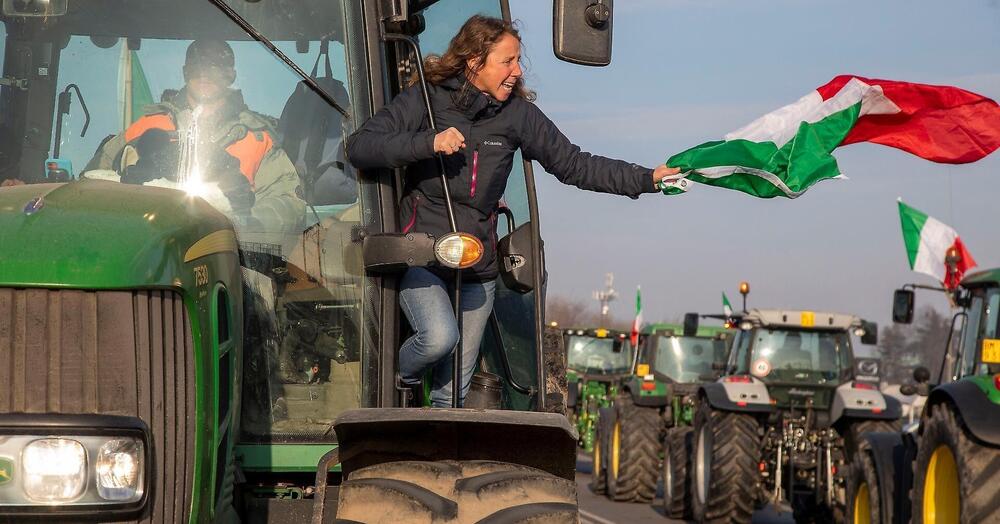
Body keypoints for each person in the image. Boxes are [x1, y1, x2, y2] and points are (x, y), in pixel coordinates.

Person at [347, 16, 680, 408]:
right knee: (439, 338)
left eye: (518, 61)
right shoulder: (427, 99)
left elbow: (577, 164)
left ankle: (435, 458)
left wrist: (647, 178)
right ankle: (396, 381)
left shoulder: (517, 116)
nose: (517, 71)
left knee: (453, 390)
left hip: (478, 266)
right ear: (474, 60)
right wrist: (428, 142)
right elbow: (361, 147)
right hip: (421, 253)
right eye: (508, 61)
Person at [85, 39, 305, 232]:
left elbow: (290, 204)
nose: (204, 74)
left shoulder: (258, 139)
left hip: (233, 260)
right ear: (184, 72)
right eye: (196, 66)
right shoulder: (144, 129)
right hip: (147, 252)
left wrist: (243, 221)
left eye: (215, 66)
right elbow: (88, 187)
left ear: (231, 75)